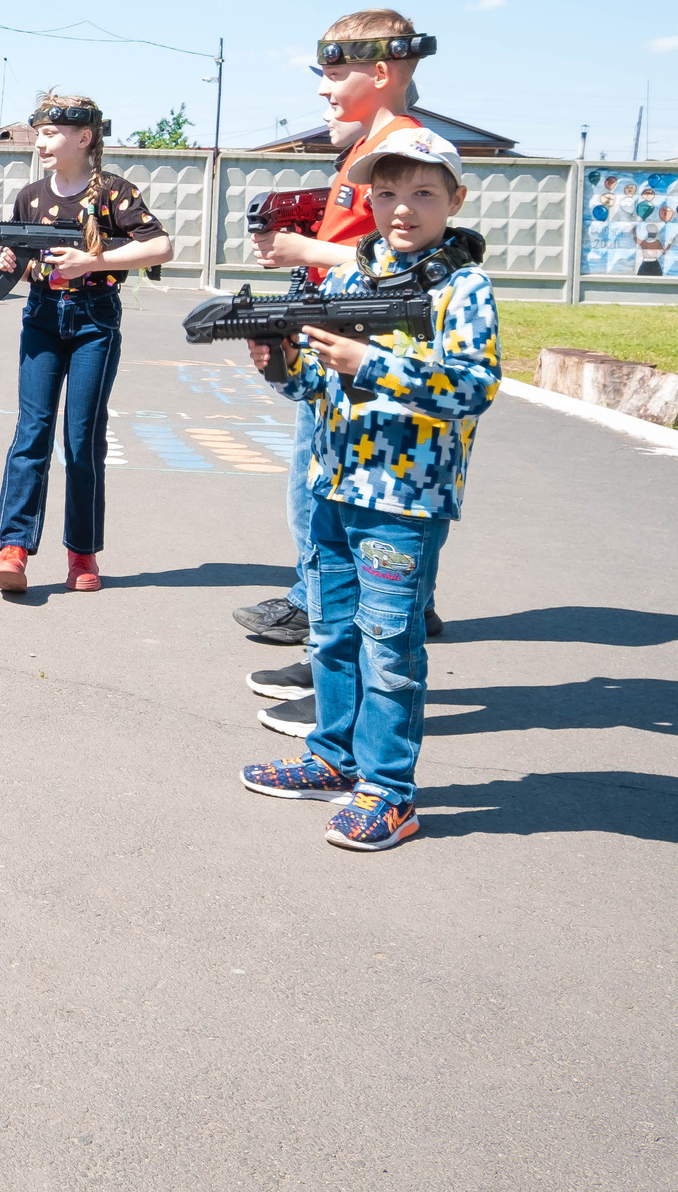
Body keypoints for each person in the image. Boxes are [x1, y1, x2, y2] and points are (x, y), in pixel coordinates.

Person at [239, 128, 499, 851]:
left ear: (455, 199)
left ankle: (389, 791)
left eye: (422, 193)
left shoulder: (463, 287)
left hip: (402, 503)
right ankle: (332, 758)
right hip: (332, 489)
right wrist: (280, 363)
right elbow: (317, 387)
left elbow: (474, 387)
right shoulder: (351, 275)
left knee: (389, 647)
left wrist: (372, 361)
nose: (402, 209)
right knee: (331, 632)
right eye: (386, 193)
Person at [233, 9, 434, 653]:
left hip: (359, 351)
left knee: (317, 491)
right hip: (341, 341)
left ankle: (328, 631)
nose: (323, 88)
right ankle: (355, 614)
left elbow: (403, 265)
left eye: (335, 73)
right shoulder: (365, 149)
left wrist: (300, 250)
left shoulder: (394, 149)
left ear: (379, 73)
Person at [0, 92, 174, 597]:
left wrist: (92, 261)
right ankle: (14, 549)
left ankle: (81, 553)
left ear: (84, 138)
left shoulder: (113, 192)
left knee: (82, 438)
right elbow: (30, 261)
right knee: (32, 432)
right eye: (39, 133)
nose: (40, 142)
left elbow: (160, 245)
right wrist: (12, 262)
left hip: (94, 321)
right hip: (43, 318)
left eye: (50, 134)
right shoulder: (30, 196)